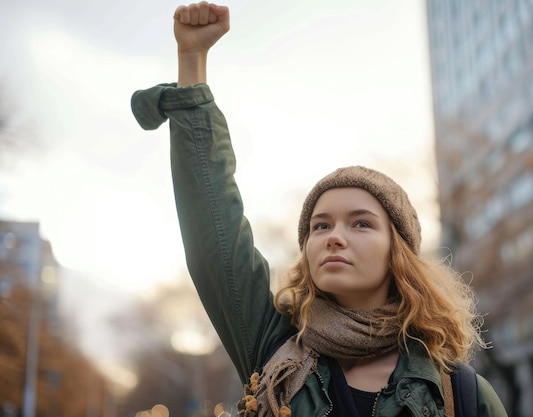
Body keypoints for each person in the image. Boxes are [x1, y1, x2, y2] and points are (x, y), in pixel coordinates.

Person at [131, 2, 508, 416]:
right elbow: (213, 231)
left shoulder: (461, 393)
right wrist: (192, 60)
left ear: (397, 252)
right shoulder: (271, 348)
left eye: (361, 224)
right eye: (320, 225)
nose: (334, 237)